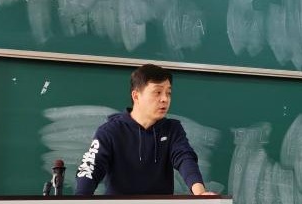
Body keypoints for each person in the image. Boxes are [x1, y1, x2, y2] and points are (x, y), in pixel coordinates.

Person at [75, 63, 216, 196]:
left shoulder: (172, 129)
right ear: (136, 96)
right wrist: (80, 200)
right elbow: (91, 168)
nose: (165, 99)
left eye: (168, 93)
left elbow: (185, 158)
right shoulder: (110, 131)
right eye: (157, 92)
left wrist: (200, 193)